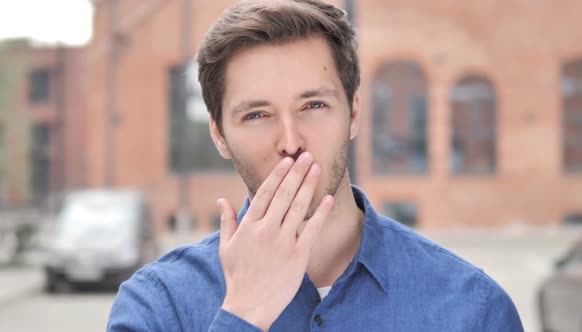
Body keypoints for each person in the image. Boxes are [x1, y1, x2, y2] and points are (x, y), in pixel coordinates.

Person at [107, 0, 524, 331]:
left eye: (314, 105)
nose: (290, 142)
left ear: (354, 112)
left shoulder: (473, 310)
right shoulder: (158, 307)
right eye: (256, 114)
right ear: (219, 135)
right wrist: (244, 314)